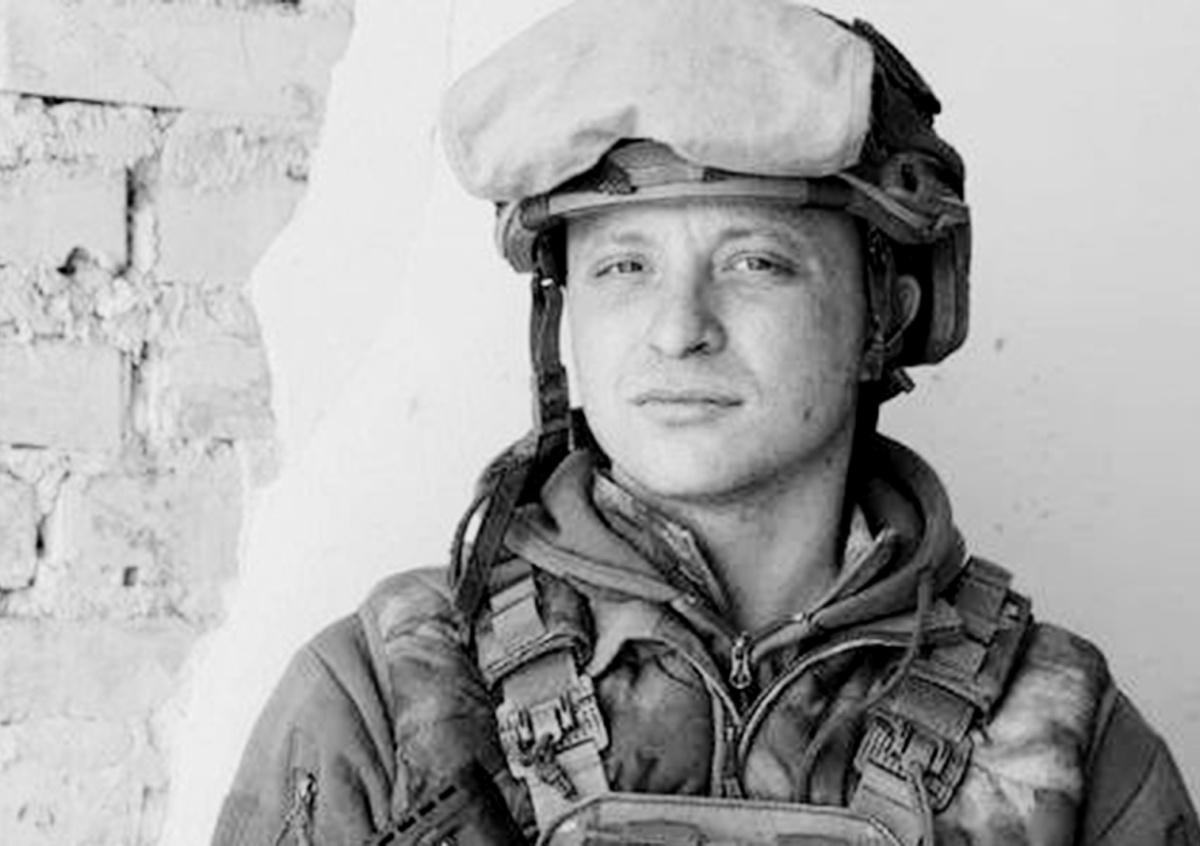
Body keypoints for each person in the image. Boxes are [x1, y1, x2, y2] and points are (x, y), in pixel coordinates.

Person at [211, 1, 1199, 844]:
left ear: (886, 315)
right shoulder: (390, 699)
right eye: (623, 267)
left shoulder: (1059, 728)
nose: (680, 329)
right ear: (564, 321)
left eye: (754, 262)